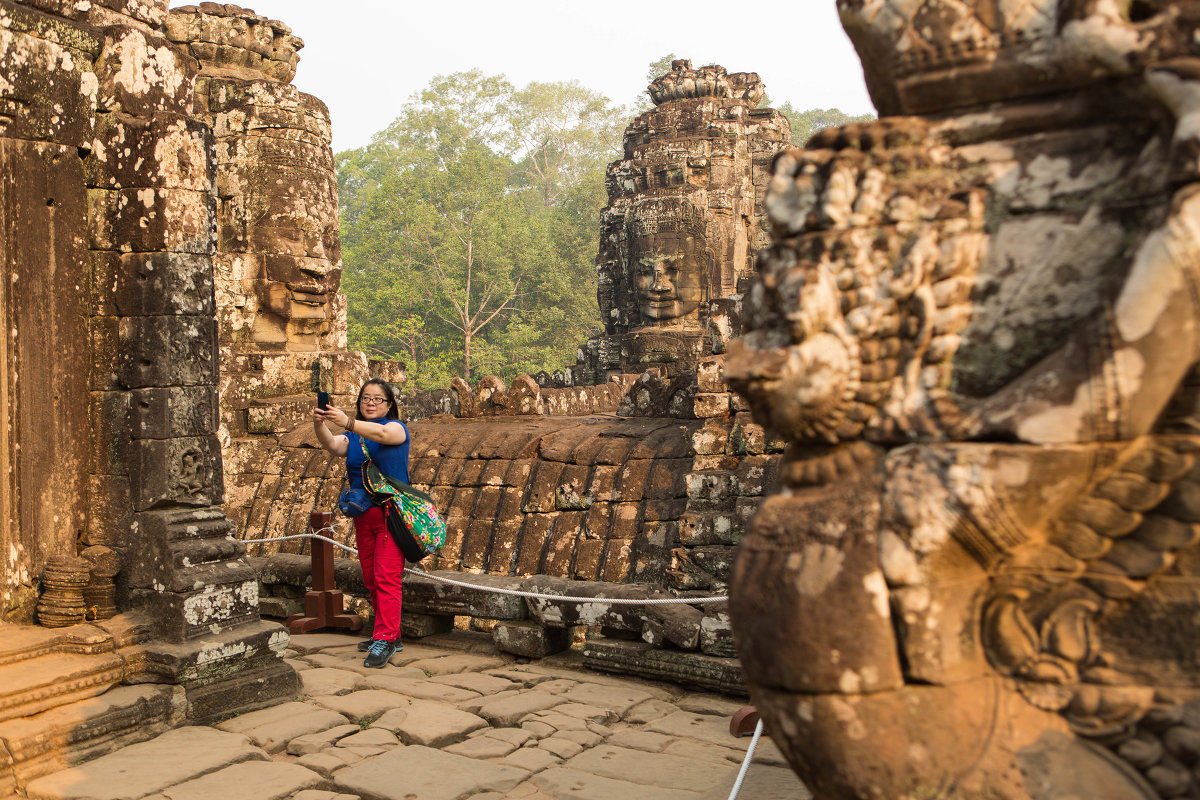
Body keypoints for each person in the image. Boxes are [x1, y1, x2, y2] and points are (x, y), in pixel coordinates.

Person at [313, 378, 410, 668]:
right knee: (370, 576)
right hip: (363, 516)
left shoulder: (395, 429)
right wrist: (320, 423)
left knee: (386, 575)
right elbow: (332, 444)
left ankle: (386, 637)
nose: (370, 403)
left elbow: (381, 432)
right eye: (365, 398)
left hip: (391, 515)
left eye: (377, 399)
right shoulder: (354, 437)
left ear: (389, 405)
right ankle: (389, 633)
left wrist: (348, 421)